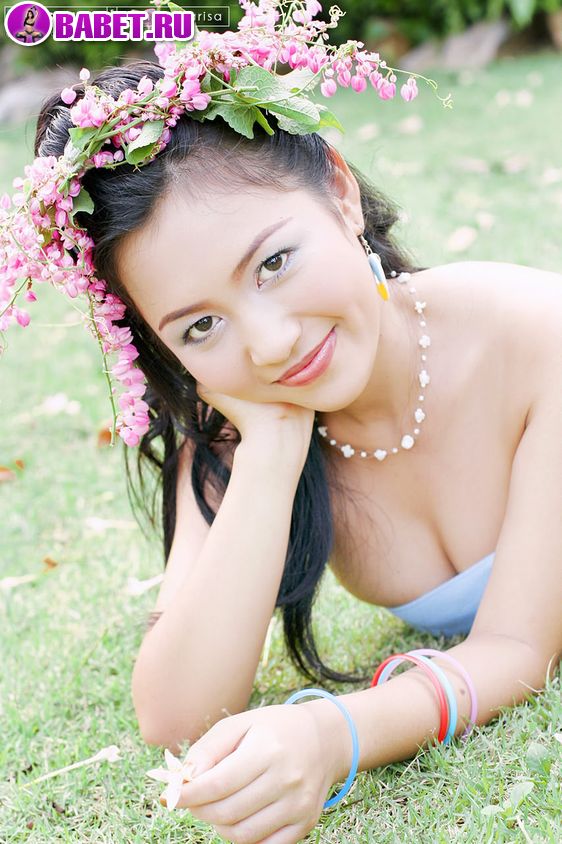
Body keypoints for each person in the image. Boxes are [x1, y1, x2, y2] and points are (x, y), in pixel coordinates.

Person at [4, 2, 561, 841]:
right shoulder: (249, 424)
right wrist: (270, 450)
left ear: (339, 192)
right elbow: (176, 713)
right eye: (201, 325)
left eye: (273, 262)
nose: (268, 344)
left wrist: (334, 734)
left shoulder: (539, 340)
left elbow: (518, 647)